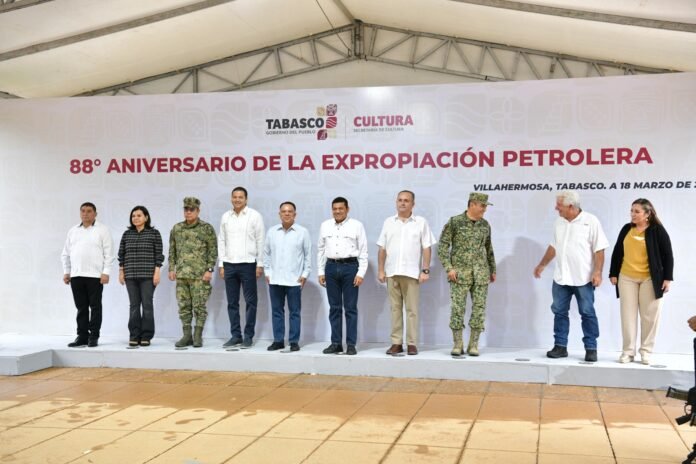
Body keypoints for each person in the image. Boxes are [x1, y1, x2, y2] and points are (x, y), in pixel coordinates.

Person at [534, 190, 609, 362]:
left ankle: (591, 348)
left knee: (587, 312)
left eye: (559, 205)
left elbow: (599, 249)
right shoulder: (558, 222)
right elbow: (554, 246)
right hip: (561, 278)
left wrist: (597, 272)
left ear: (570, 206)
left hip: (583, 278)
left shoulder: (591, 221)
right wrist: (542, 264)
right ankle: (560, 346)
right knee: (559, 312)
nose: (556, 208)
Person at [609, 198, 674, 365]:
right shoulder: (626, 229)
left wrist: (667, 278)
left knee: (650, 316)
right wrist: (613, 273)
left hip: (650, 279)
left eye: (637, 211)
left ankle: (646, 351)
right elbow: (617, 251)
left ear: (647, 214)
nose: (633, 214)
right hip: (626, 277)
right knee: (627, 316)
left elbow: (668, 255)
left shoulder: (657, 230)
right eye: (632, 211)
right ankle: (628, 352)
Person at [377, 190, 436, 356]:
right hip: (391, 272)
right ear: (396, 202)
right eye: (400, 200)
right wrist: (381, 270)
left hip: (411, 273)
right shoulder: (388, 222)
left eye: (406, 200)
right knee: (395, 309)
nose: (402, 203)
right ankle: (396, 343)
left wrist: (425, 270)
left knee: (412, 310)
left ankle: (412, 343)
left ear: (413, 204)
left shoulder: (420, 222)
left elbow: (426, 247)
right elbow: (382, 248)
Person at [438, 192, 496, 356]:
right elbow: (443, 246)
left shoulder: (485, 225)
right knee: (458, 309)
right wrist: (449, 268)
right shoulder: (455, 222)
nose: (484, 209)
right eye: (482, 206)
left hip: (481, 273)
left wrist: (492, 269)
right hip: (459, 274)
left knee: (479, 309)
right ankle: (458, 344)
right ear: (472, 204)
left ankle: (473, 345)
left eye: (485, 206)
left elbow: (488, 248)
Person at [317, 197, 368, 355]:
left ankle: (351, 344)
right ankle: (336, 343)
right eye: (335, 209)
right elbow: (320, 249)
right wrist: (321, 271)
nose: (337, 211)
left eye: (341, 208)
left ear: (347, 209)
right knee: (334, 308)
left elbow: (363, 251)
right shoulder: (325, 225)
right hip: (331, 268)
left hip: (350, 268)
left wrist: (361, 273)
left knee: (350, 308)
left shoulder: (357, 225)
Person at [61, 202, 114, 348]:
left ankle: (94, 336)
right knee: (81, 308)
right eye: (83, 211)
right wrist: (67, 272)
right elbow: (66, 253)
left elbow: (109, 253)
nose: (85, 214)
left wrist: (106, 272)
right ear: (80, 213)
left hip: (95, 276)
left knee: (95, 307)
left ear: (95, 214)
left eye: (89, 211)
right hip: (76, 275)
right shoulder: (73, 231)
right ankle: (82, 336)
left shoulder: (102, 230)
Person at [218, 187, 265, 348]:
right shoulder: (226, 216)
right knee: (232, 302)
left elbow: (260, 240)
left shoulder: (254, 216)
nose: (237, 200)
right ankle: (235, 335)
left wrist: (260, 264)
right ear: (231, 198)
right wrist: (221, 264)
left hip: (248, 264)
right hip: (229, 265)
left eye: (240, 197)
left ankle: (248, 336)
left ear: (246, 199)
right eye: (235, 197)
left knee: (251, 302)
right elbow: (222, 241)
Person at [168, 197, 217, 348]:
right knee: (184, 306)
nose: (188, 212)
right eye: (186, 209)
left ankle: (197, 336)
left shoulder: (206, 228)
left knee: (199, 306)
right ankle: (187, 335)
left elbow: (213, 251)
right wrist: (171, 268)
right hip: (182, 275)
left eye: (191, 209)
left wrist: (209, 270)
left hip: (199, 276)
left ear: (198, 211)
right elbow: (172, 250)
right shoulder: (177, 228)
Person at [263, 202, 312, 352]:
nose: (287, 213)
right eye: (284, 211)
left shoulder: (302, 232)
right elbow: (266, 253)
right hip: (275, 279)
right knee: (277, 311)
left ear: (295, 214)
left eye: (290, 211)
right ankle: (278, 340)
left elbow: (308, 255)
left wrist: (305, 274)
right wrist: (267, 273)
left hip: (294, 280)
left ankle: (294, 341)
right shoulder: (272, 232)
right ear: (279, 214)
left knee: (294, 312)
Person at [117, 206, 164, 347]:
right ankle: (134, 335)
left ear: (146, 217)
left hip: (148, 275)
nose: (135, 218)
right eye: (133, 216)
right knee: (134, 306)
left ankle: (146, 336)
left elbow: (159, 255)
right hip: (130, 275)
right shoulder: (127, 234)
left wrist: (157, 272)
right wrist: (121, 272)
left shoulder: (154, 233)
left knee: (147, 305)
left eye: (139, 215)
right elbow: (121, 254)